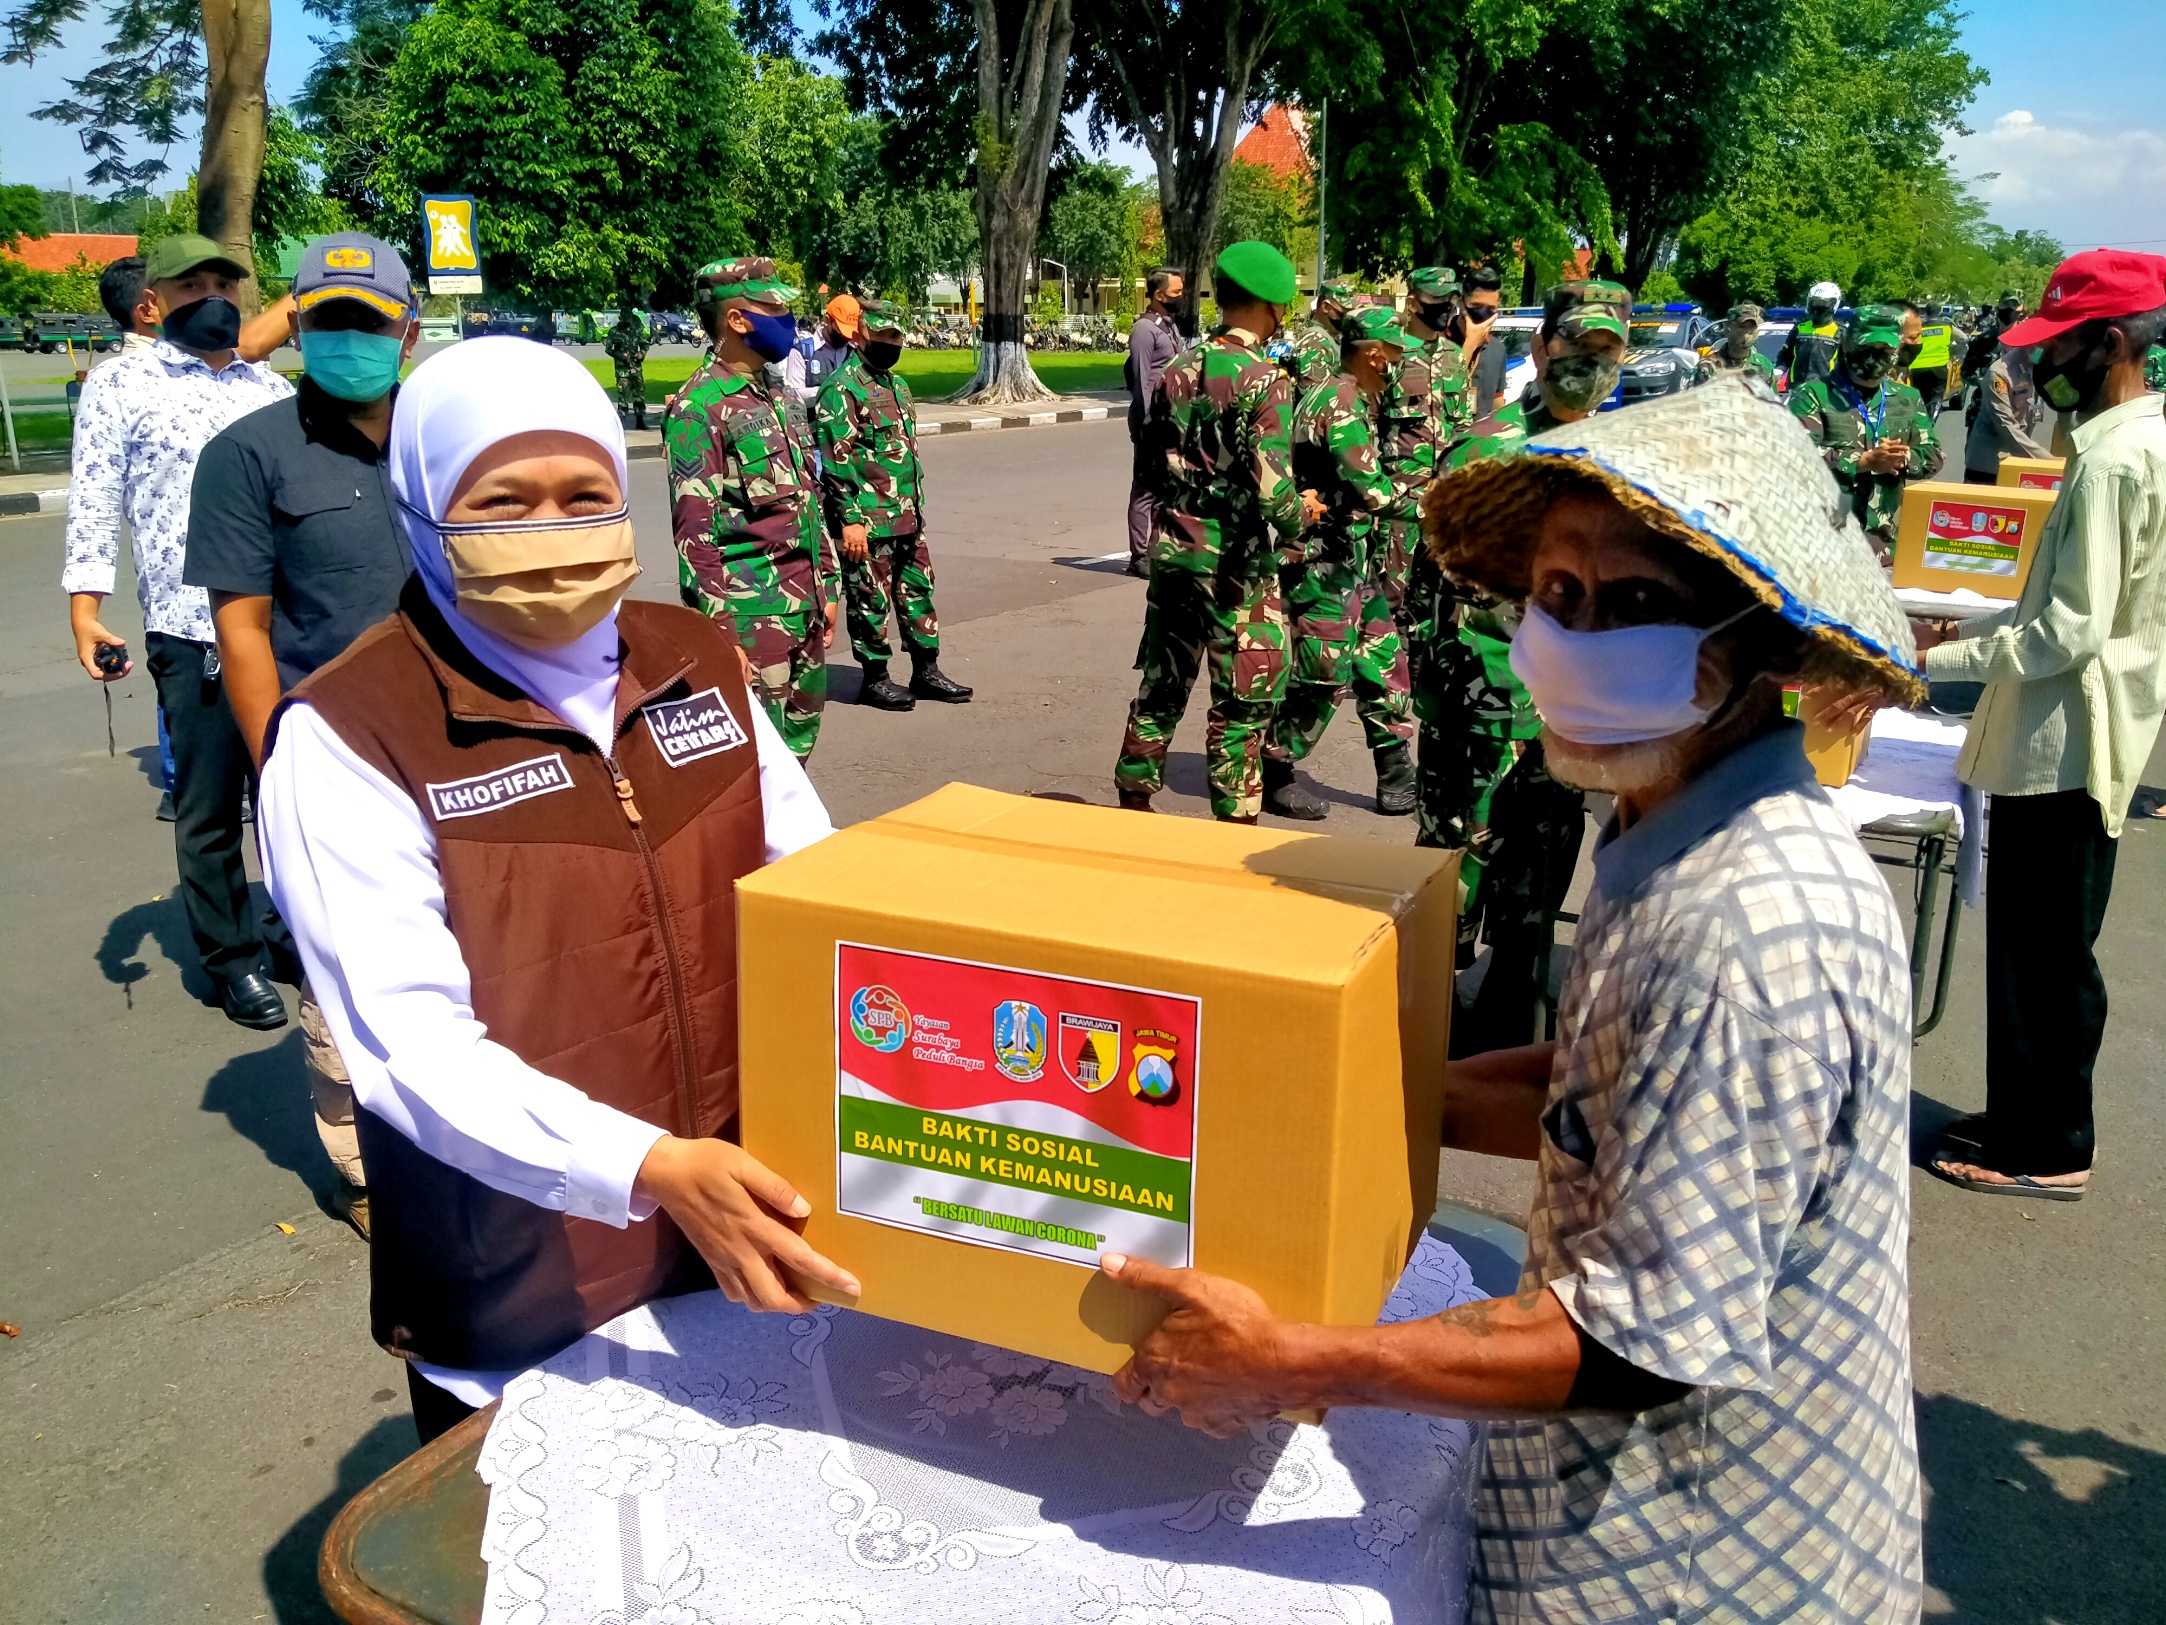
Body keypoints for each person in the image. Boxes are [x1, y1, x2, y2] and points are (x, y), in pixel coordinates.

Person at [1101, 378, 1927, 1625]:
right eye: (1557, 596)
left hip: (1695, 1565)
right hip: (1615, 1512)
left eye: (1635, 603)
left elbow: (1632, 1345)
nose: (1576, 638)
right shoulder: (1679, 826)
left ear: (1756, 642)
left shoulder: (1742, 925)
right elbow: (1595, 1088)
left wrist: (1287, 1360)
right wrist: (1294, 1109)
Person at [256, 336, 859, 1444]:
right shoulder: (355, 733)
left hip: (734, 1229)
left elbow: (820, 893)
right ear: (426, 506)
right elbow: (408, 1050)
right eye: (502, 501)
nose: (550, 531)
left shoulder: (697, 659)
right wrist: (648, 1167)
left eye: (583, 493)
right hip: (528, 1277)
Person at [177, 232, 422, 1237]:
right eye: (328, 319)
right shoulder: (249, 454)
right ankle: (361, 1170)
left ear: (407, 327)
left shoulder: (442, 436)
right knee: (335, 973)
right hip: (330, 759)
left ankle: (465, 1138)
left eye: (368, 321)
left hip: (461, 750)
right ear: (299, 322)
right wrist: (278, 764)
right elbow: (242, 628)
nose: (349, 337)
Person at [1916, 250, 2166, 1202]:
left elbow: (2068, 631)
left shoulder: (2108, 460)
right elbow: (2051, 609)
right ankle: (2023, 1114)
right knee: (2033, 951)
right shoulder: (2128, 442)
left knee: (2050, 958)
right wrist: (1960, 630)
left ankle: (2053, 1145)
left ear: (2111, 343)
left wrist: (1931, 664)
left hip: (2066, 745)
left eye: (2056, 349)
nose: (2038, 369)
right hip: (2065, 734)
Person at [62, 233, 297, 1033]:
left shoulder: (267, 387)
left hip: (281, 624)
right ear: (154, 301)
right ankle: (231, 958)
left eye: (225, 285)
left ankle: (291, 928)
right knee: (208, 806)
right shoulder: (121, 384)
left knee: (288, 793)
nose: (214, 298)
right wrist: (86, 607)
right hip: (190, 627)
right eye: (192, 284)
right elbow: (94, 497)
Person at [1409, 280, 1629, 1054]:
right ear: (1542, 349)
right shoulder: (1488, 452)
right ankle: (1421, 1029)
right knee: (1455, 875)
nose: (1589, 367)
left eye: (1606, 353)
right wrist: (1450, 694)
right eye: (1576, 348)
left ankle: (1510, 1019)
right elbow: (1429, 583)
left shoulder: (1619, 456)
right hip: (1484, 706)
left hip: (1571, 717)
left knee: (1540, 874)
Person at [1114, 241, 1301, 823]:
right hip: (1234, 565)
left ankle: (1134, 799)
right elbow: (1274, 490)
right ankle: (1233, 827)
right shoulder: (1265, 378)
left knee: (1163, 682)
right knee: (1243, 698)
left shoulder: (1177, 369)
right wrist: (1303, 518)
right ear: (1272, 307)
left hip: (1173, 550)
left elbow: (1153, 450)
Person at [668, 256, 839, 759]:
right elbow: (695, 539)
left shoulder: (779, 394)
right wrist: (719, 637)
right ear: (739, 321)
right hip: (750, 619)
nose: (787, 321)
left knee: (799, 751)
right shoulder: (699, 408)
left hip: (802, 606)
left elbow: (808, 496)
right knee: (756, 764)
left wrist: (825, 583)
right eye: (774, 308)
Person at [1261, 304, 1409, 819]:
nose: (1398, 366)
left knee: (1383, 659)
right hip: (1324, 565)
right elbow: (1371, 489)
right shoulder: (1342, 402)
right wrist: (1440, 507)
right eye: (1393, 355)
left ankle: (1397, 775)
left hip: (1351, 562)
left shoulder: (1334, 392)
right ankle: (1272, 769)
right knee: (1323, 675)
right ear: (1373, 355)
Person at [816, 296, 972, 709]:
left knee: (918, 592)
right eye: (883, 336)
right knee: (870, 599)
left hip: (906, 515)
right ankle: (875, 678)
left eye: (896, 337)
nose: (891, 344)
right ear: (861, 335)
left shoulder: (896, 386)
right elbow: (835, 464)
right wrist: (849, 521)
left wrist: (916, 510)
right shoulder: (841, 389)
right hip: (866, 521)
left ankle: (926, 670)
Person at [1786, 304, 1942, 559]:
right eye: (1866, 348)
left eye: (1885, 350)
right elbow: (1795, 458)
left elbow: (1933, 455)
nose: (1874, 357)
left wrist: (1900, 459)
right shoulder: (1812, 395)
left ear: (1898, 348)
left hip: (1885, 550)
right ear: (1846, 343)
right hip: (1823, 547)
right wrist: (1861, 462)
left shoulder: (1907, 398)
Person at [1125, 267, 1185, 576]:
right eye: (1175, 293)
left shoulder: (1168, 327)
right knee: (1145, 489)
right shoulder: (1145, 330)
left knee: (1165, 490)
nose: (1180, 297)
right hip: (1151, 422)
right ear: (1159, 295)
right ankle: (1138, 557)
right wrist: (1147, 422)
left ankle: (1155, 550)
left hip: (1170, 420)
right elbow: (1140, 380)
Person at [1961, 339, 2047, 483]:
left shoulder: (2037, 366)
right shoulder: (2000, 374)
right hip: (1988, 465)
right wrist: (2044, 459)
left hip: (2016, 460)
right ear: (2030, 344)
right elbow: (2005, 424)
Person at [1280, 277, 1358, 395]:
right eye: (1344, 312)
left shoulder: (1331, 338)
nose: (1349, 317)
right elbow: (1316, 396)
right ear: (1325, 307)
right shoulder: (1314, 341)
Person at [1458, 265, 1507, 418]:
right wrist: (1470, 345)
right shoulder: (1439, 340)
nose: (1483, 313)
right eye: (1476, 306)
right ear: (1461, 303)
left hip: (1479, 439)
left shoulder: (1497, 349)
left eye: (1491, 308)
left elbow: (1497, 402)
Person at [1696, 302, 1777, 389]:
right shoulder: (1709, 365)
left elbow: (1771, 400)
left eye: (1752, 327)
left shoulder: (1764, 365)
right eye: (1742, 327)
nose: (1747, 333)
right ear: (1727, 329)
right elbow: (1694, 399)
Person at [605, 305, 651, 430]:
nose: (627, 320)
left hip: (636, 368)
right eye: (624, 317)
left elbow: (645, 344)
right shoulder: (614, 332)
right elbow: (608, 350)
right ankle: (621, 423)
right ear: (620, 318)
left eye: (629, 317)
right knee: (623, 396)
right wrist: (620, 355)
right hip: (622, 370)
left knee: (639, 394)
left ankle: (640, 419)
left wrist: (641, 354)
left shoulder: (635, 331)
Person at [1907, 302, 1956, 416]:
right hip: (1939, 367)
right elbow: (1963, 338)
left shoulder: (1919, 328)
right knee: (1937, 396)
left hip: (1918, 367)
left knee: (1920, 396)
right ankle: (1930, 419)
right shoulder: (1946, 326)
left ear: (1925, 312)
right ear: (1939, 312)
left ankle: (1920, 419)